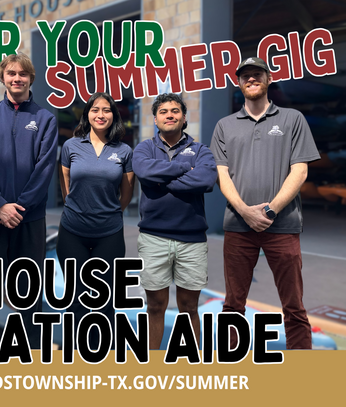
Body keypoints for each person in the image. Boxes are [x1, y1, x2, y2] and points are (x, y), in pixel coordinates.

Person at [210, 57, 320, 349]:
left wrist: (270, 210)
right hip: (238, 226)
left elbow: (300, 170)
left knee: (293, 306)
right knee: (233, 304)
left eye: (257, 74)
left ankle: (304, 377)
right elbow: (222, 174)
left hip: (282, 225)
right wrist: (246, 212)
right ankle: (231, 367)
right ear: (238, 82)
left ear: (268, 79)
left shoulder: (292, 119)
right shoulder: (224, 126)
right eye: (245, 75)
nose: (251, 79)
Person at [0, 53, 58, 349]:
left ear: (31, 78)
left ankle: (30, 348)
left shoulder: (45, 119)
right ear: (3, 78)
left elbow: (45, 168)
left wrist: (19, 207)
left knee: (29, 291)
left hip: (28, 219)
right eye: (11, 73)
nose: (16, 78)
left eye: (22, 73)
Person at [133, 93, 217, 350]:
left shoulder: (201, 150)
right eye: (164, 111)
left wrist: (162, 176)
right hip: (153, 238)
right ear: (156, 119)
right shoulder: (144, 148)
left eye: (175, 111)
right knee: (155, 306)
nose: (170, 115)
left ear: (183, 118)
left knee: (189, 307)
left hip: (191, 241)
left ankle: (189, 362)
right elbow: (144, 171)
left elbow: (206, 181)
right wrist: (183, 168)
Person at [56, 92, 135, 348]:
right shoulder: (71, 146)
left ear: (114, 116)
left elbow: (127, 192)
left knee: (105, 300)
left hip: (109, 234)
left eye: (107, 110)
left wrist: (108, 212)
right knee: (76, 299)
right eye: (95, 109)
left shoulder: (124, 151)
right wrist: (77, 209)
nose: (101, 115)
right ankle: (77, 355)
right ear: (87, 114)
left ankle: (103, 356)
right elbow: (65, 183)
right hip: (72, 232)